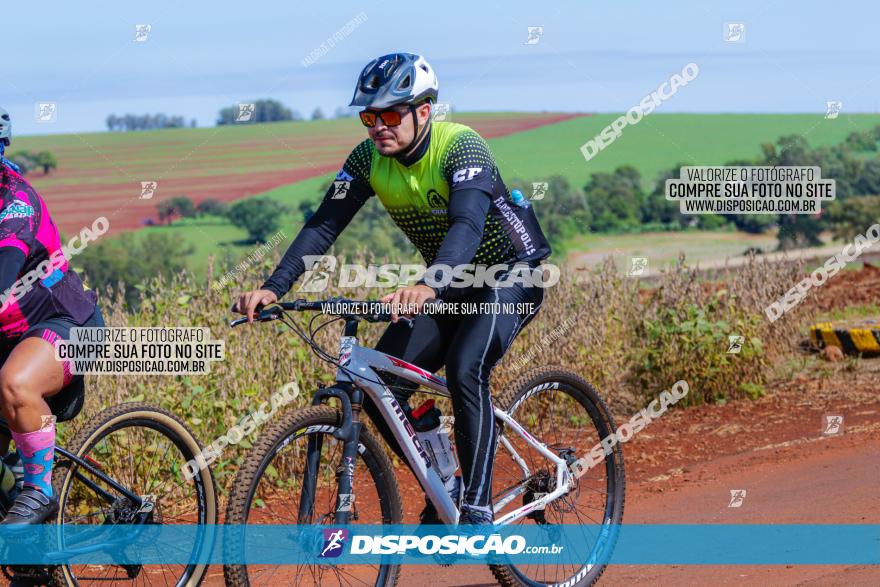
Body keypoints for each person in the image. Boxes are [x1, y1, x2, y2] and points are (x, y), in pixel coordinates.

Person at [234, 53, 552, 524]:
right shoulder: (366, 159)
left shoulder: (462, 149)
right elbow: (324, 225)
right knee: (378, 382)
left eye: (389, 114)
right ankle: (448, 476)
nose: (377, 127)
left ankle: (478, 508)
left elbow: (465, 225)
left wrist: (428, 283)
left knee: (466, 367)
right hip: (450, 283)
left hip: (510, 273)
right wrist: (274, 286)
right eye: (368, 117)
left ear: (424, 111)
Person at [0, 106, 106, 525]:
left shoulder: (16, 202)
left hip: (68, 326)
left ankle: (40, 492)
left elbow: (4, 273)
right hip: (10, 340)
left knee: (14, 381)